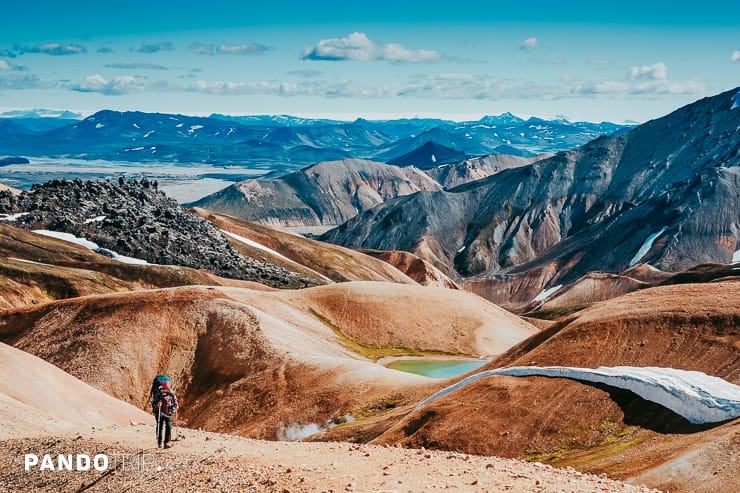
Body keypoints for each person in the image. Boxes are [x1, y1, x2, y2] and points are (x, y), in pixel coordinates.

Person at [152, 380, 179, 449]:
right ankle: (159, 443)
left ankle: (166, 443)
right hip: (160, 412)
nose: (165, 390)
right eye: (165, 388)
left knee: (169, 428)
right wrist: (157, 404)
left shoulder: (172, 394)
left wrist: (175, 407)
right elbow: (154, 403)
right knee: (160, 427)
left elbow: (175, 402)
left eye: (167, 389)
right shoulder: (158, 393)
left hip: (169, 413)